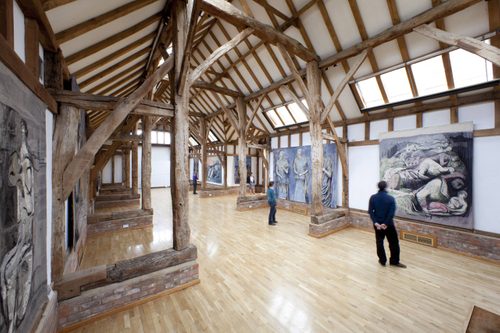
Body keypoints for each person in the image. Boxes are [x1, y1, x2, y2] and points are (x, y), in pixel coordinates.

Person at [368, 181, 406, 268]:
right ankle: (394, 261)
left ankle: (382, 261)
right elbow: (391, 213)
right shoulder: (391, 198)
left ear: (378, 187)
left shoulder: (373, 197)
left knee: (379, 242)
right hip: (388, 224)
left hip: (377, 225)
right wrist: (385, 223)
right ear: (386, 187)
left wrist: (376, 223)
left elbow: (371, 211)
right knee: (394, 243)